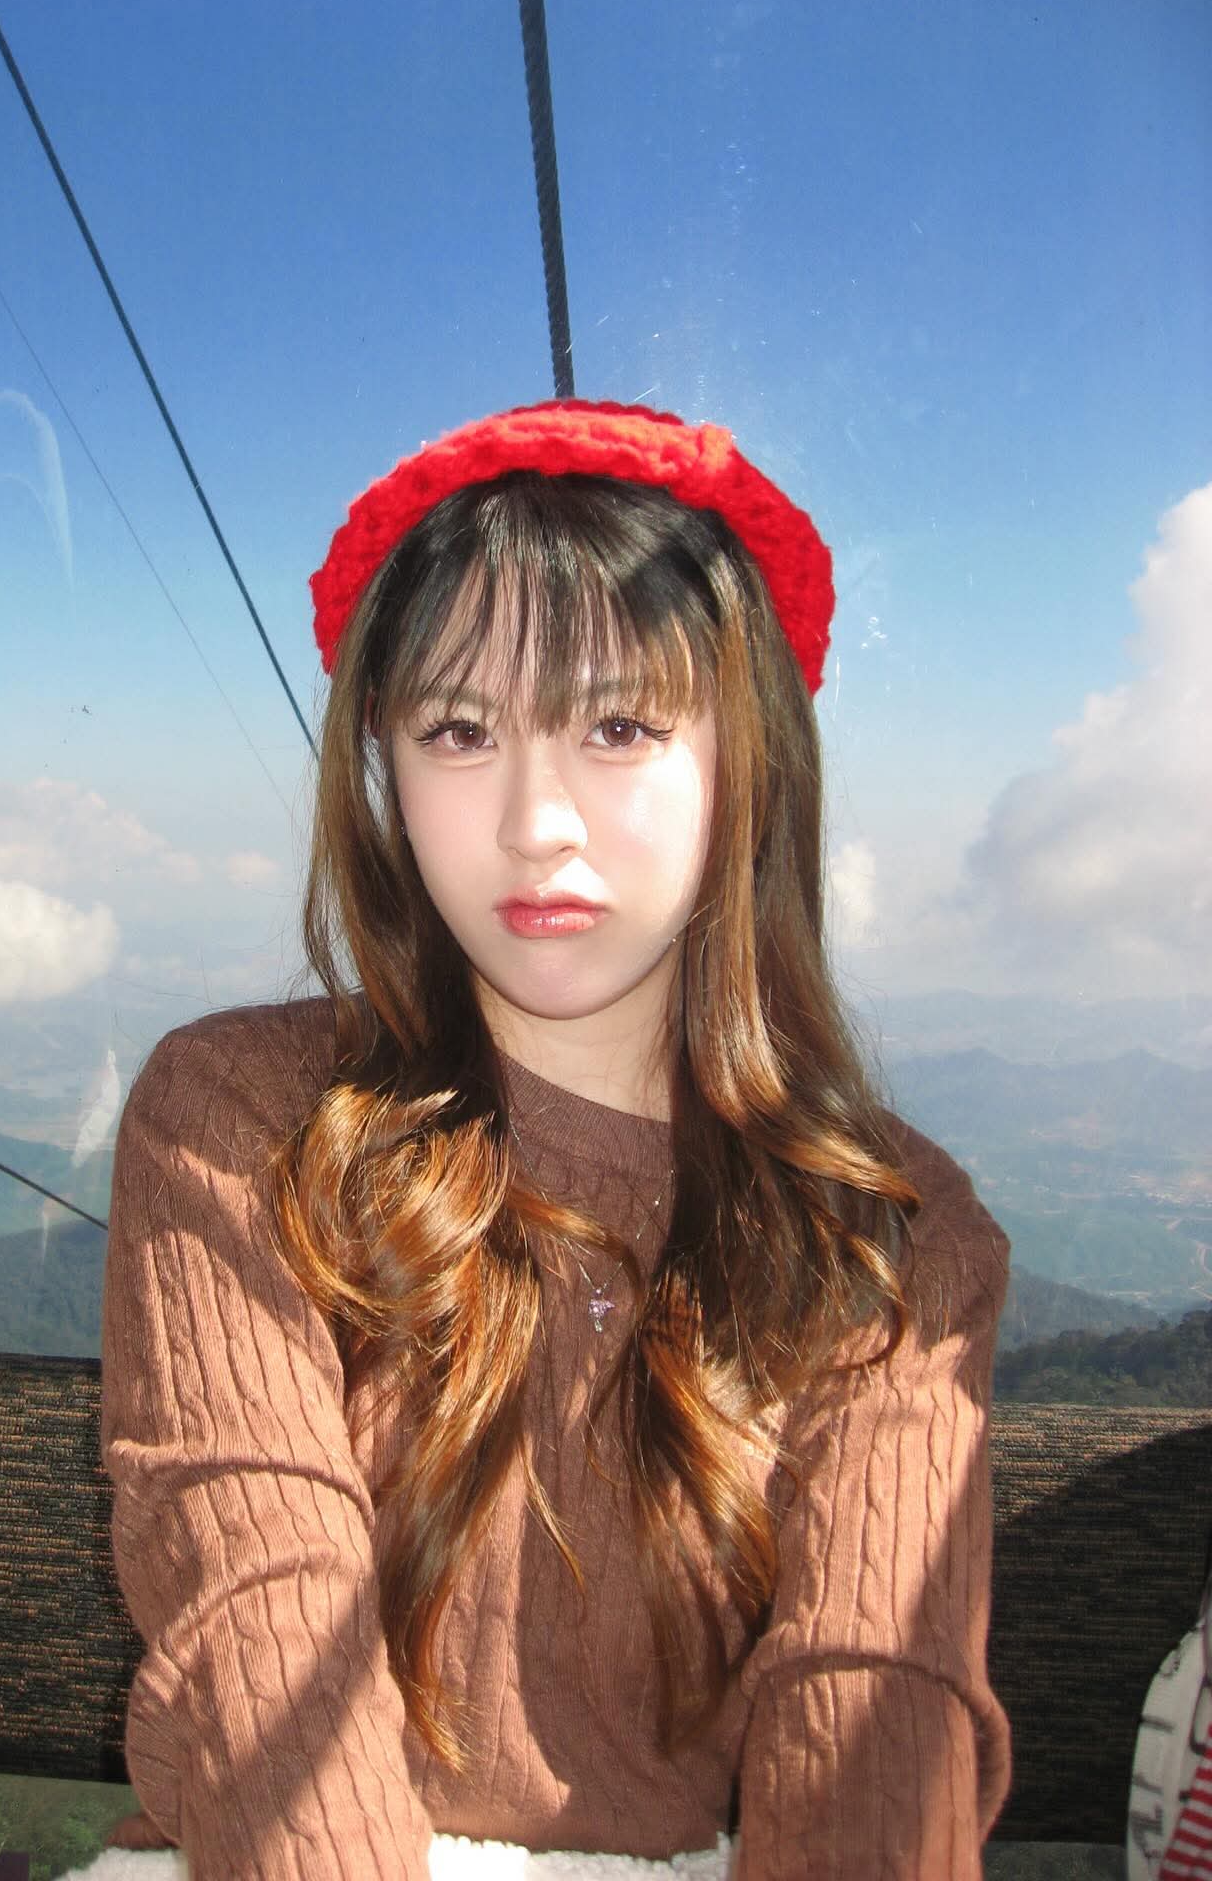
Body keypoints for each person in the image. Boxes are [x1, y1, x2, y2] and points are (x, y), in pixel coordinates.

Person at [99, 400, 1012, 1880]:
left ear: (745, 764)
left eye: (619, 727)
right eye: (459, 731)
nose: (536, 822)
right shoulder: (241, 1124)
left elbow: (873, 1693)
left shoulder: (888, 1235)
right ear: (385, 771)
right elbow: (260, 1620)